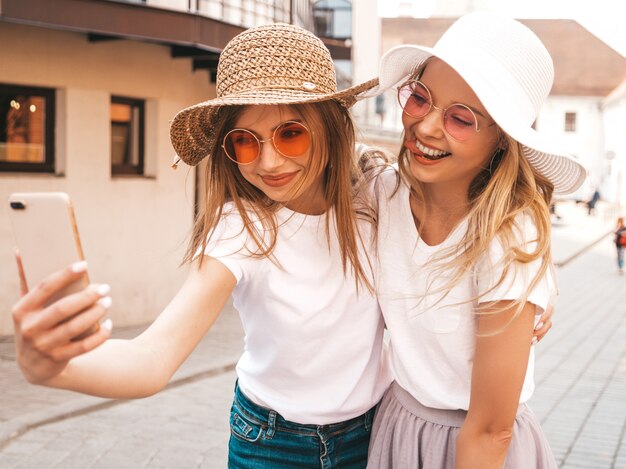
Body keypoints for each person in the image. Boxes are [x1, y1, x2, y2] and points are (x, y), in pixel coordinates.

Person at [11, 23, 391, 468]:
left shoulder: (377, 195)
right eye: (245, 143)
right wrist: (51, 368)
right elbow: (152, 358)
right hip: (271, 442)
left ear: (330, 127)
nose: (268, 162)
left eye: (291, 133)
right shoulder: (241, 228)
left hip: (371, 434)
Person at [361, 12, 586, 468]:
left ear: (503, 139)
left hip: (476, 447)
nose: (425, 128)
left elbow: (491, 428)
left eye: (461, 118)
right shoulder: (384, 194)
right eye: (420, 98)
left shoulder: (506, 239)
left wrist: (536, 286)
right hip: (399, 427)